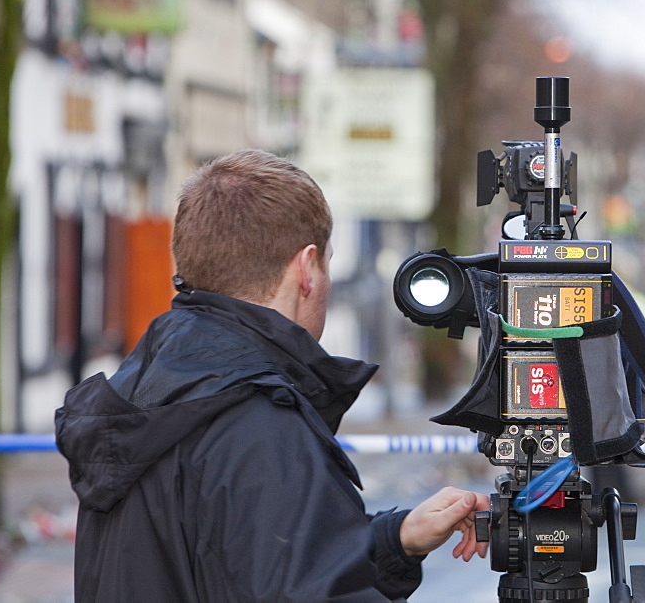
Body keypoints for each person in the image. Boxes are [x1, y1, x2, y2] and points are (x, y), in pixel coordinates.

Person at [55, 149, 489, 601]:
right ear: (306, 269)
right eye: (327, 262)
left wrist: (394, 541)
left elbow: (229, 568)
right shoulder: (258, 424)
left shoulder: (143, 392)